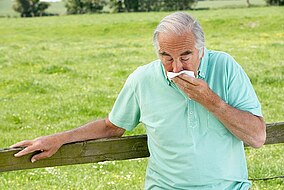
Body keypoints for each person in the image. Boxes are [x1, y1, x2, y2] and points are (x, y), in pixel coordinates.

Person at [11, 12, 266, 190]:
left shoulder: (226, 67)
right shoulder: (143, 78)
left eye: (185, 56)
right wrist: (59, 138)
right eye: (166, 56)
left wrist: (210, 100)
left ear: (201, 49)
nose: (176, 66)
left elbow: (257, 137)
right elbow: (112, 127)